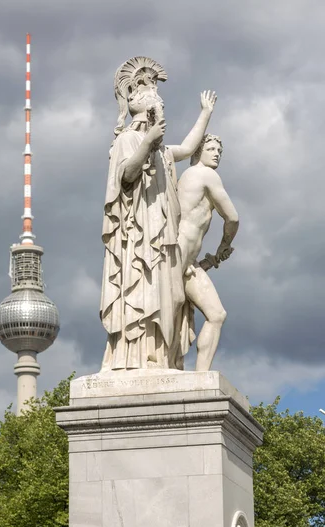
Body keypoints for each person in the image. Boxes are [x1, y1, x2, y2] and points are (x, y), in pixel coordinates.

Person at [100, 56, 216, 370]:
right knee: (144, 295)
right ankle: (137, 357)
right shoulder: (127, 139)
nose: (153, 94)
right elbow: (126, 175)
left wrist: (205, 114)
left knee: (175, 299)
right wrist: (148, 141)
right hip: (137, 239)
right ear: (132, 100)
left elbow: (190, 148)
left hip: (164, 239)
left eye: (155, 90)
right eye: (146, 89)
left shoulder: (164, 151)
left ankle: (166, 358)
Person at [176, 134, 239, 371]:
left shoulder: (188, 177)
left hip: (187, 261)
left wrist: (210, 259)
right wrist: (225, 244)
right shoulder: (204, 174)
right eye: (211, 148)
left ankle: (201, 380)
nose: (216, 154)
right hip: (178, 257)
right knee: (172, 313)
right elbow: (232, 218)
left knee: (216, 314)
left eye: (219, 151)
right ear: (197, 152)